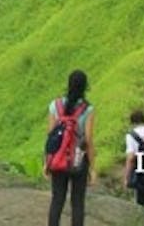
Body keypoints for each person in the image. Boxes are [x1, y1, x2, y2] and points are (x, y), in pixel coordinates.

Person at [46, 70, 96, 226]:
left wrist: (47, 162)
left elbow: (51, 135)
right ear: (85, 87)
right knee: (77, 202)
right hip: (79, 160)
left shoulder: (55, 105)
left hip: (58, 159)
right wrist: (92, 168)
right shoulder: (88, 109)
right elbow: (87, 139)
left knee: (57, 200)